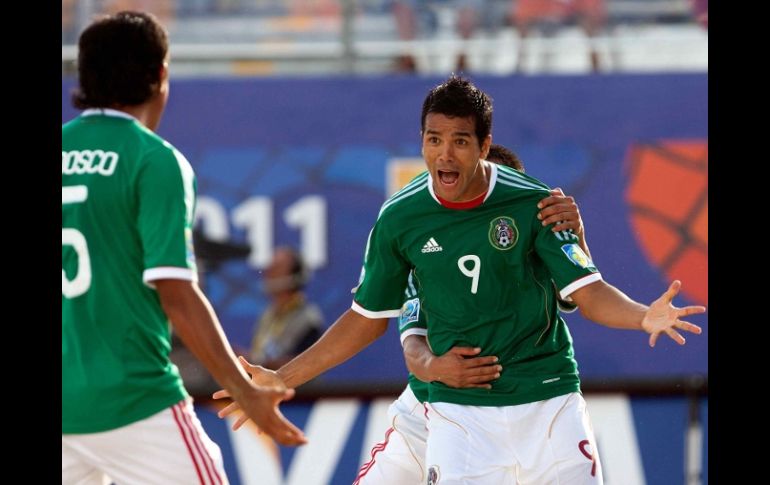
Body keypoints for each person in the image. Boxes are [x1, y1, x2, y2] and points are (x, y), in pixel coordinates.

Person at [215, 75, 703, 484]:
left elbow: (586, 294)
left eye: (460, 141)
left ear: (484, 147)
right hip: (449, 411)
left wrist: (644, 316)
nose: (445, 155)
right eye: (434, 140)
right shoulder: (401, 220)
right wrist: (282, 377)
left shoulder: (536, 203)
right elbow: (371, 322)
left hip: (548, 398)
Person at [62, 11, 305, 485]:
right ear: (160, 76)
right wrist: (243, 389)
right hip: (133, 399)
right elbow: (176, 293)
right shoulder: (155, 161)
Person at [353, 144, 591, 484]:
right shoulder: (427, 248)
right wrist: (436, 368)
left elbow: (576, 295)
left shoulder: (526, 234)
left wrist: (576, 237)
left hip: (524, 404)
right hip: (430, 408)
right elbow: (413, 346)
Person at [248, 246, 323, 369]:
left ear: (293, 276)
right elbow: (260, 354)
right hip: (266, 385)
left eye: (275, 268)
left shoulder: (308, 319)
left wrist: (255, 364)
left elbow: (307, 363)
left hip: (296, 387)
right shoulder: (268, 315)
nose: (267, 272)